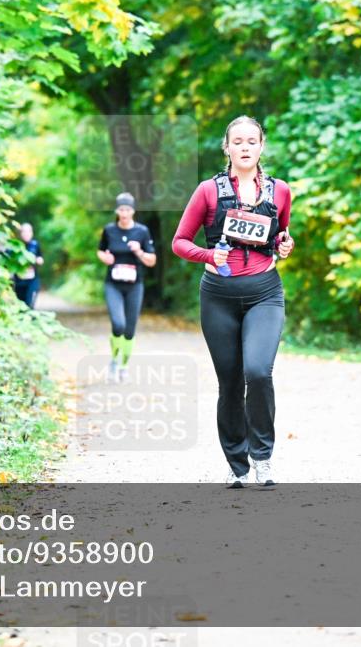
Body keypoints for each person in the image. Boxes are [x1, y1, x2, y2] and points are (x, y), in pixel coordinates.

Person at [172, 115, 295, 489]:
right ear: (227, 147)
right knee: (229, 382)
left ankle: (263, 457)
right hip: (219, 298)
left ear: (262, 146)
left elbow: (281, 235)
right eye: (237, 141)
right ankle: (237, 464)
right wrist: (210, 256)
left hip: (264, 293)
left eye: (251, 141)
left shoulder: (280, 191)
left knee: (258, 373)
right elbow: (180, 241)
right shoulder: (209, 191)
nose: (245, 147)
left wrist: (285, 246)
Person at [97, 192, 156, 382]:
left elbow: (152, 260)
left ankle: (123, 366)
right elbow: (100, 251)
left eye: (128, 209)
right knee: (118, 324)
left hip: (134, 286)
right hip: (113, 285)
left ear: (133, 211)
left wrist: (138, 251)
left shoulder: (142, 231)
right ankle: (114, 360)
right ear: (117, 210)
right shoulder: (109, 230)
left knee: (129, 330)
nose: (124, 213)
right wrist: (105, 258)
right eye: (121, 209)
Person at [12, 223, 43, 309]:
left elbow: (40, 257)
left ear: (32, 233)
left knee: (30, 303)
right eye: (24, 232)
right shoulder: (16, 245)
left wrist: (39, 260)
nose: (26, 234)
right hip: (19, 280)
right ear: (20, 233)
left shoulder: (35, 245)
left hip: (32, 279)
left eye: (28, 231)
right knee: (21, 304)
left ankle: (30, 319)